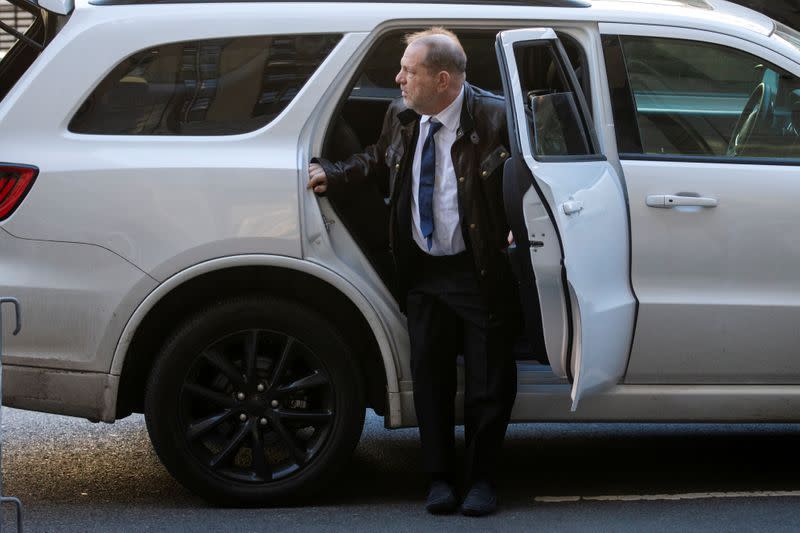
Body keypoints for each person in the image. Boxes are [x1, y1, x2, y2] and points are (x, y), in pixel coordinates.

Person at [307, 27, 518, 517]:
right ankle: (439, 478)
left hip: (479, 270)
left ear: (442, 79)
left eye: (409, 70)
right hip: (421, 271)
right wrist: (334, 174)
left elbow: (529, 179)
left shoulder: (497, 118)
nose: (397, 78)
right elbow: (381, 159)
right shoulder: (401, 115)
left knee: (489, 383)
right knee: (430, 377)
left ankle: (483, 479)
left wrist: (519, 228)